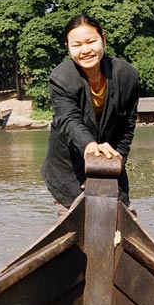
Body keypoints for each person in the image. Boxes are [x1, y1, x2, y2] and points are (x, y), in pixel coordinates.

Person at [41, 14, 139, 214]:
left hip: (109, 160)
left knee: (122, 218)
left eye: (91, 42)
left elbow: (127, 125)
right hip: (69, 166)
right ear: (67, 47)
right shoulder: (61, 77)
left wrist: (115, 163)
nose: (85, 50)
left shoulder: (127, 75)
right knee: (74, 220)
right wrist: (90, 148)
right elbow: (68, 120)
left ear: (103, 39)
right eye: (77, 45)